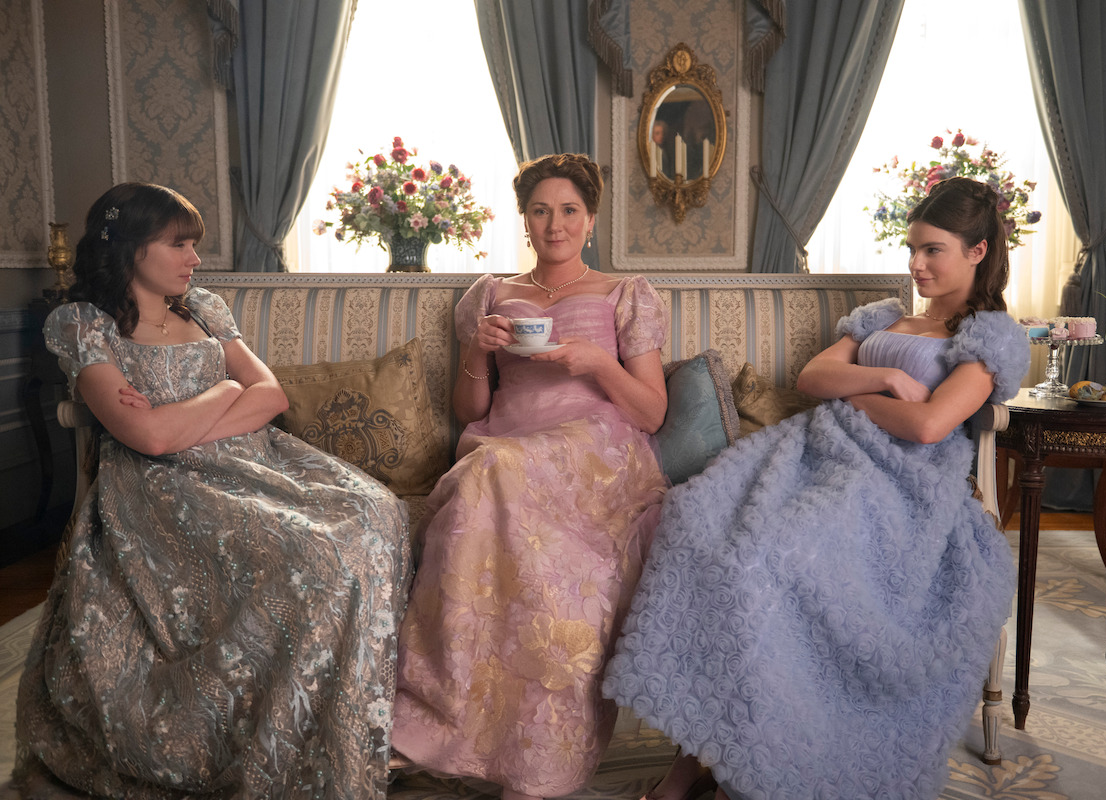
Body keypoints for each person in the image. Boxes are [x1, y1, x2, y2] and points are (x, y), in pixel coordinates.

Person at [603, 176, 1030, 800]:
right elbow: (812, 376)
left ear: (978, 251)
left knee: (772, 558)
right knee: (699, 526)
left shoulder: (988, 335)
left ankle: (733, 764)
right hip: (811, 453)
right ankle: (702, 758)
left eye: (933, 250)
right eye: (912, 248)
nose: (915, 264)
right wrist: (881, 378)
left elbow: (931, 424)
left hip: (897, 484)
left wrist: (855, 394)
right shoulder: (887, 318)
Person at [14, 183, 413, 799]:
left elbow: (271, 396)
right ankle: (269, 731)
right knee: (318, 553)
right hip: (159, 486)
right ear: (127, 247)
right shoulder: (83, 324)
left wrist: (203, 408)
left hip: (254, 460)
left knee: (376, 510)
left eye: (193, 245)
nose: (194, 258)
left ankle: (341, 720)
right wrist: (227, 394)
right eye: (179, 244)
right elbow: (143, 439)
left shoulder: (204, 308)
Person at [390, 153, 669, 800]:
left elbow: (651, 411)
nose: (555, 223)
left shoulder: (625, 294)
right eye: (541, 210)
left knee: (490, 472)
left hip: (596, 452)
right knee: (484, 473)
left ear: (591, 219)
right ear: (525, 219)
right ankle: (456, 728)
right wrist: (475, 352)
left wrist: (598, 362)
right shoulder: (491, 296)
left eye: (569, 209)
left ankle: (544, 760)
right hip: (506, 444)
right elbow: (472, 411)